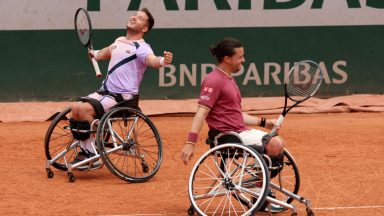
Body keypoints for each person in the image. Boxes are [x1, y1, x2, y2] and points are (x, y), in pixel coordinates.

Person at [180, 37, 285, 212]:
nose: (243, 60)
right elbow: (201, 112)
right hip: (227, 136)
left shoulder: (228, 79)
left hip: (239, 131)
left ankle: (259, 188)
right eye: (240, 56)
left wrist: (264, 122)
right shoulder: (214, 80)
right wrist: (190, 142)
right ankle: (261, 194)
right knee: (274, 144)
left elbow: (235, 114)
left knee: (277, 142)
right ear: (227, 59)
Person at [70, 8, 173, 169]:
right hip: (105, 92)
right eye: (134, 15)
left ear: (144, 28)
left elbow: (152, 60)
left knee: (84, 110)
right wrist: (95, 54)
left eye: (139, 18)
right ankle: (88, 149)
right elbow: (106, 53)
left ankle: (91, 154)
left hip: (124, 99)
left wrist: (163, 61)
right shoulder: (118, 41)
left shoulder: (142, 47)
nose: (134, 18)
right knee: (75, 107)